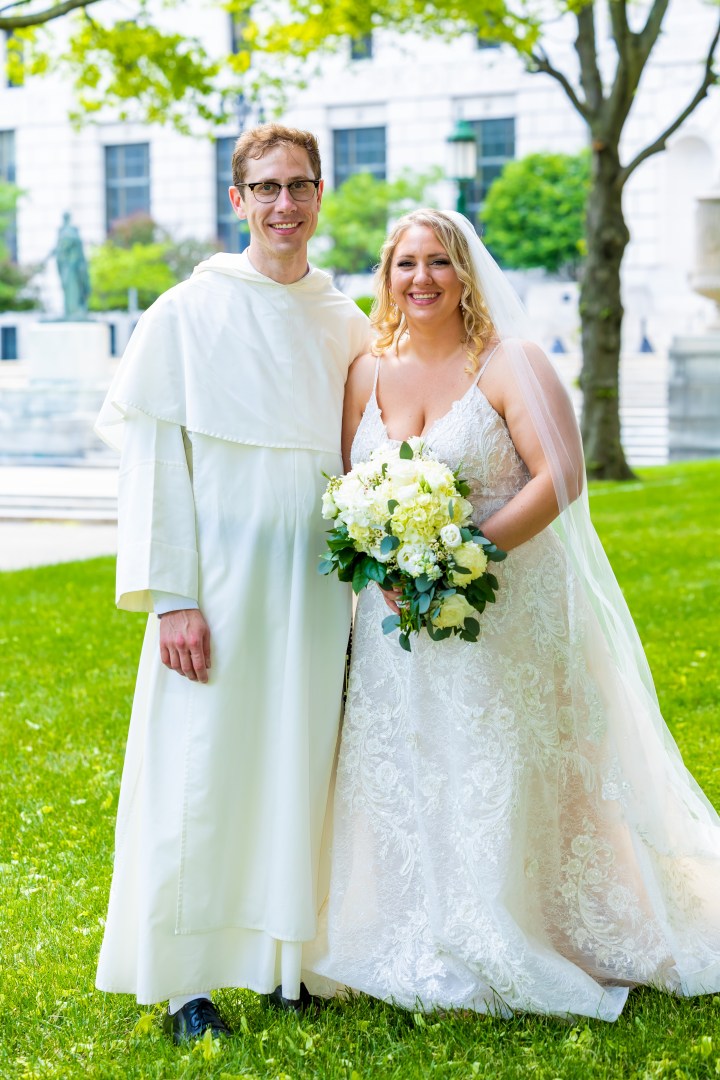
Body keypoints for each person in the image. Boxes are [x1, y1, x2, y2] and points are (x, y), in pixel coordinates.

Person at [304, 209, 720, 1020]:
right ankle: (415, 924)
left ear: (466, 274)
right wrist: (381, 558)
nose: (421, 278)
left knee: (499, 765)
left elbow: (560, 474)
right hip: (396, 626)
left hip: (502, 608)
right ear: (386, 277)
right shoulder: (364, 374)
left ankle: (521, 921)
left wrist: (463, 554)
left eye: (439, 262)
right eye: (405, 264)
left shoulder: (509, 362)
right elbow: (347, 489)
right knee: (409, 765)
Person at [93, 124, 369, 1042]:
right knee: (200, 769)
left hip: (315, 589)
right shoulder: (183, 313)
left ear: (320, 194)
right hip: (215, 586)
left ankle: (291, 965)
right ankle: (184, 986)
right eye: (266, 188)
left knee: (298, 765)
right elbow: (153, 464)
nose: (285, 204)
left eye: (300, 186)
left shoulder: (345, 321)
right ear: (237, 200)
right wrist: (172, 597)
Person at [54, 212, 90, 319]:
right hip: (67, 267)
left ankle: (75, 310)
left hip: (74, 268)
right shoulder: (64, 232)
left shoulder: (71, 232)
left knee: (74, 288)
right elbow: (59, 250)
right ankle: (70, 311)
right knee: (68, 287)